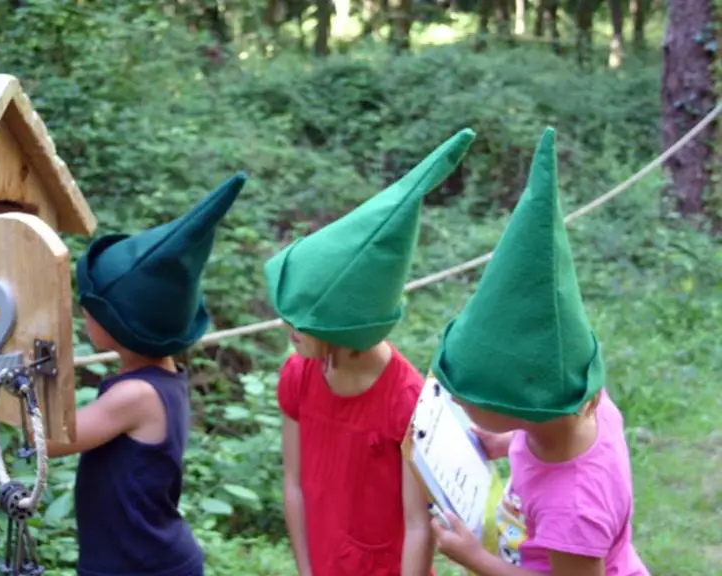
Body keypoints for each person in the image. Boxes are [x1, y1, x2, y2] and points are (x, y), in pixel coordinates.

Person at [428, 128, 650, 576]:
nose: (453, 400)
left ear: (517, 404)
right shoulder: (579, 405)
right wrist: (505, 440)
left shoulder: (575, 508)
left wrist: (476, 559)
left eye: (465, 395)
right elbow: (544, 428)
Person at [263, 128, 477, 576]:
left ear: (344, 326)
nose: (287, 328)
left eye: (301, 321)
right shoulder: (298, 376)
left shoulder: (408, 403)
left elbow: (419, 528)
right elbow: (294, 484)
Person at [48, 173, 247, 576]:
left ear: (117, 325)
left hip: (144, 567)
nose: (82, 311)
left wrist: (31, 365)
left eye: (89, 307)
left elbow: (51, 442)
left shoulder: (135, 396)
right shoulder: (163, 379)